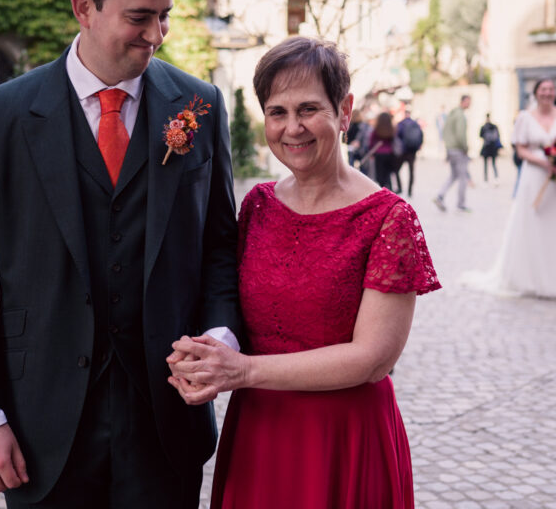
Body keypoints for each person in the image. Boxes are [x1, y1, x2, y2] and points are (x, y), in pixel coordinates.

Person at [0, 0, 242, 508]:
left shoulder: (199, 106)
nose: (157, 35)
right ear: (84, 7)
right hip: (39, 422)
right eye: (139, 17)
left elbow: (219, 246)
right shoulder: (1, 116)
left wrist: (218, 336)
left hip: (165, 418)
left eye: (165, 16)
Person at [167, 36, 440, 508]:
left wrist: (244, 370)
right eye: (277, 112)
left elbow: (373, 357)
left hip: (344, 437)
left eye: (308, 109)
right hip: (259, 432)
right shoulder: (258, 205)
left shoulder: (389, 218)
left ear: (344, 111)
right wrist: (202, 356)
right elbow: (231, 305)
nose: (292, 128)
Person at [462, 78, 556, 300]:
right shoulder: (525, 117)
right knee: (533, 223)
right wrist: (545, 162)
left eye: (551, 89)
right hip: (535, 176)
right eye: (543, 89)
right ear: (536, 93)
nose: (547, 93)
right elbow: (520, 149)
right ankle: (531, 278)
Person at [434, 95, 472, 212]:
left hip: (451, 149)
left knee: (454, 175)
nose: (469, 104)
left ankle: (440, 196)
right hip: (458, 149)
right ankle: (461, 204)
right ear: (463, 101)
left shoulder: (451, 114)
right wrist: (465, 148)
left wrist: (448, 146)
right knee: (463, 177)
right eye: (468, 102)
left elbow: (444, 131)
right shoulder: (460, 115)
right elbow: (461, 134)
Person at [394, 108, 423, 197]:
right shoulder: (415, 124)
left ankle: (400, 187)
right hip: (412, 152)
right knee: (411, 172)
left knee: (396, 170)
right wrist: (418, 147)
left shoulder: (401, 124)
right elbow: (421, 135)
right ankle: (410, 191)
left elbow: (397, 136)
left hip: (403, 151)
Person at [367, 111, 399, 191]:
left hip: (379, 154)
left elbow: (371, 142)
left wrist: (371, 153)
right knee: (388, 174)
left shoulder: (376, 129)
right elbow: (394, 141)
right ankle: (389, 190)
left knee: (380, 175)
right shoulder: (392, 129)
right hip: (389, 154)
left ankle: (382, 189)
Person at [479, 113, 501, 186]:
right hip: (493, 148)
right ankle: (496, 178)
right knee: (493, 164)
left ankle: (486, 180)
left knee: (486, 165)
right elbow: (498, 136)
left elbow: (480, 136)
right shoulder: (494, 126)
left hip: (486, 147)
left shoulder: (484, 127)